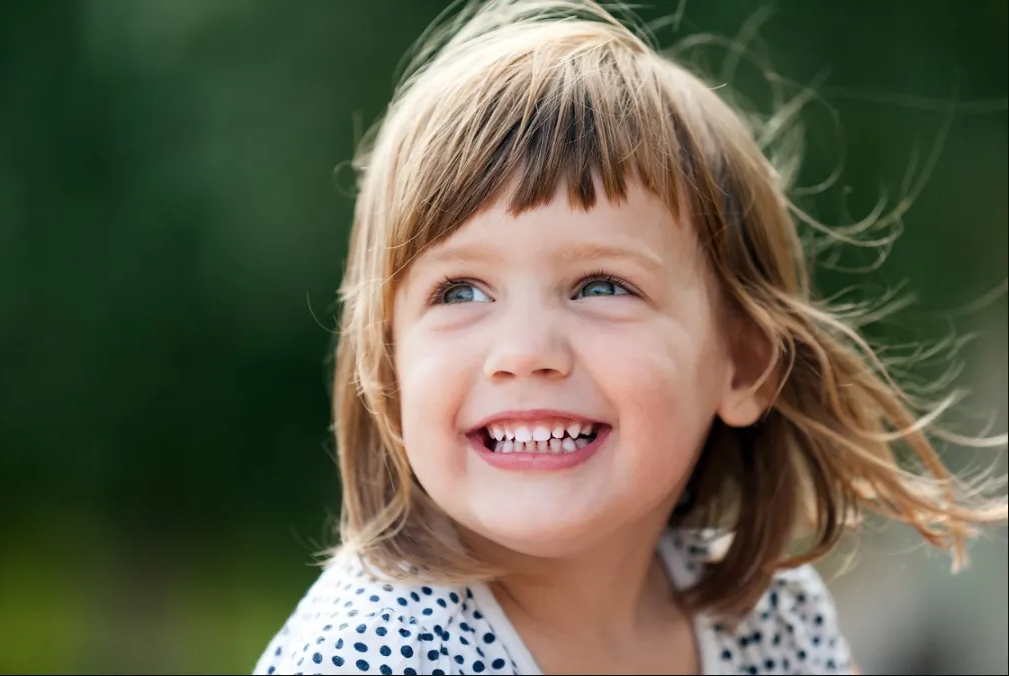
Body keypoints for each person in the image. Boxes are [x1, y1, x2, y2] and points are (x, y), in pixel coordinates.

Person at [252, 1, 1007, 673]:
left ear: (742, 364)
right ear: (388, 367)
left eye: (601, 287)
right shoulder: (376, 655)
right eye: (461, 291)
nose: (524, 353)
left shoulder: (771, 622)